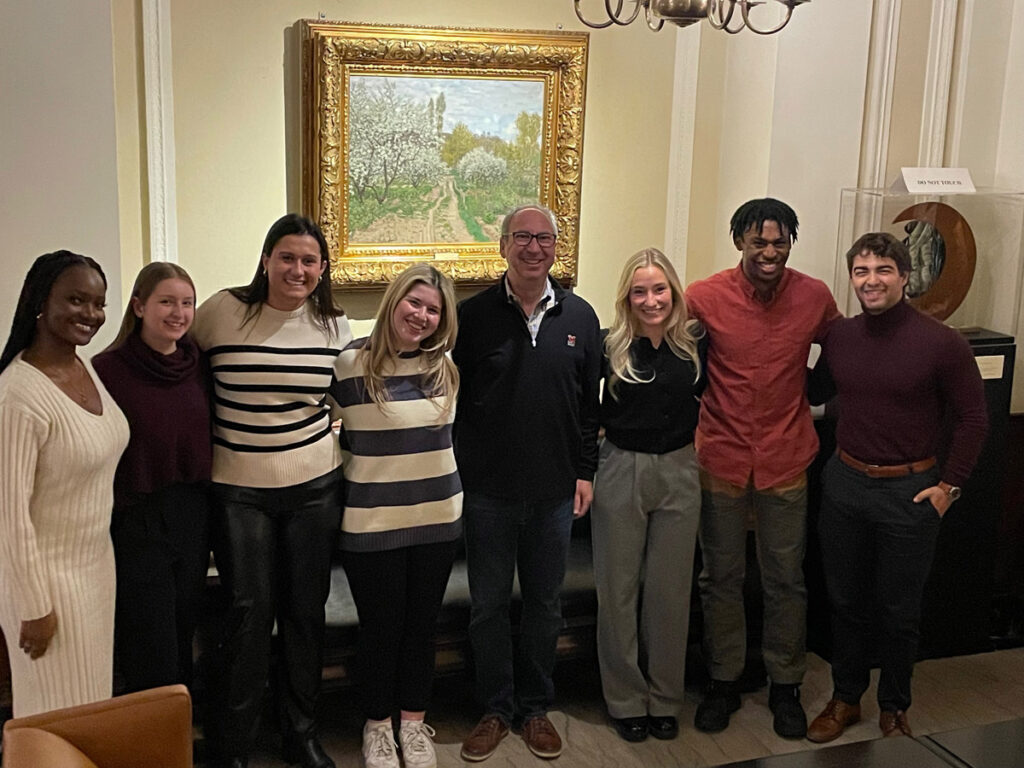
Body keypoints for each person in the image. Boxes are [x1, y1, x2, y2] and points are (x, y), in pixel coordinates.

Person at [806, 232, 987, 743]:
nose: (871, 280)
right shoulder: (840, 337)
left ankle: (894, 707)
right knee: (844, 601)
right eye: (861, 271)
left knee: (898, 609)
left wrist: (950, 486)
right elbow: (813, 390)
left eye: (883, 270)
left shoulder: (941, 342)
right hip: (844, 482)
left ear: (906, 277)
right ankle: (845, 699)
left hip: (910, 492)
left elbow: (974, 418)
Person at [192, 214, 351, 768]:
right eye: (287, 257)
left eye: (309, 261)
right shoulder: (222, 312)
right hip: (238, 490)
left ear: (323, 268)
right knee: (247, 613)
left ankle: (300, 733)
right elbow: (180, 372)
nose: (297, 269)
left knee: (306, 613)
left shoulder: (334, 327)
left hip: (315, 488)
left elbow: (344, 404)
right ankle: (231, 741)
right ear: (265, 260)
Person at [685, 198, 840, 738]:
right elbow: (672, 354)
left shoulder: (815, 296)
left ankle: (786, 685)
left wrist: (817, 389)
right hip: (721, 456)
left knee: (785, 580)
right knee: (719, 578)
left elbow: (842, 351)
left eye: (779, 242)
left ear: (790, 242)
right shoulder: (703, 297)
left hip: (787, 457)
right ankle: (724, 680)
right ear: (740, 243)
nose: (769, 251)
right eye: (759, 242)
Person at [454, 203, 601, 762]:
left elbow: (591, 408)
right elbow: (454, 402)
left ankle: (536, 707)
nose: (533, 247)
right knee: (488, 606)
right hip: (487, 491)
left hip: (555, 493)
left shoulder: (580, 317)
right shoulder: (471, 317)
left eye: (543, 238)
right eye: (522, 237)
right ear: (503, 245)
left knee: (544, 605)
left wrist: (585, 471)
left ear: (555, 248)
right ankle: (495, 708)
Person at [331, 264, 462, 768]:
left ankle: (412, 725)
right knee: (381, 629)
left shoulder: (446, 369)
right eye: (415, 303)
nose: (422, 316)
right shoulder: (347, 366)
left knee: (421, 627)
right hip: (372, 523)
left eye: (433, 309)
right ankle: (377, 727)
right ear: (394, 301)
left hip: (437, 518)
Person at [0, 251, 129, 717]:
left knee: (90, 710)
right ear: (39, 301)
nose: (90, 315)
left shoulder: (84, 367)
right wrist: (34, 605)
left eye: (99, 304)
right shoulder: (18, 395)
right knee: (52, 717)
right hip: (46, 588)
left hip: (96, 571)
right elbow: (8, 518)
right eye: (76, 300)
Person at [592, 249, 707, 743]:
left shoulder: (697, 343)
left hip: (682, 469)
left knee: (670, 591)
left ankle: (664, 698)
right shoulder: (608, 346)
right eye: (640, 291)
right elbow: (582, 412)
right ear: (627, 297)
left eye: (659, 289)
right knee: (617, 591)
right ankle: (624, 698)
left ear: (674, 292)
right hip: (620, 468)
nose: (650, 299)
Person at [92, 262, 212, 694]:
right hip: (137, 520)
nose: (178, 312)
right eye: (166, 302)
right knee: (149, 641)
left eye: (187, 303)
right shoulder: (106, 371)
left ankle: (176, 736)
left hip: (193, 516)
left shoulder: (199, 365)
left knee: (184, 633)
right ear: (140, 306)